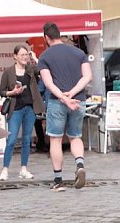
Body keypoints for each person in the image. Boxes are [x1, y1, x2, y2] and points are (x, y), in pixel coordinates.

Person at [37, 23, 93, 192]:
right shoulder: (79, 53)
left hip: (56, 101)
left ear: (46, 37)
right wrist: (72, 94)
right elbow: (87, 77)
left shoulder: (44, 57)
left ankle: (58, 180)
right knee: (75, 136)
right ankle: (80, 164)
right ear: (60, 35)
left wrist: (63, 97)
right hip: (78, 100)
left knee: (55, 139)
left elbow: (48, 83)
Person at [0, 44, 45, 181]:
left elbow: (42, 70)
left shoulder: (31, 69)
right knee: (11, 139)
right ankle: (5, 169)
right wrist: (12, 92)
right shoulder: (8, 72)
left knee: (27, 139)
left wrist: (35, 58)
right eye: (22, 55)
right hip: (15, 108)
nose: (25, 57)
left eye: (26, 55)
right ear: (15, 56)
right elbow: (2, 91)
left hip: (29, 108)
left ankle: (23, 168)